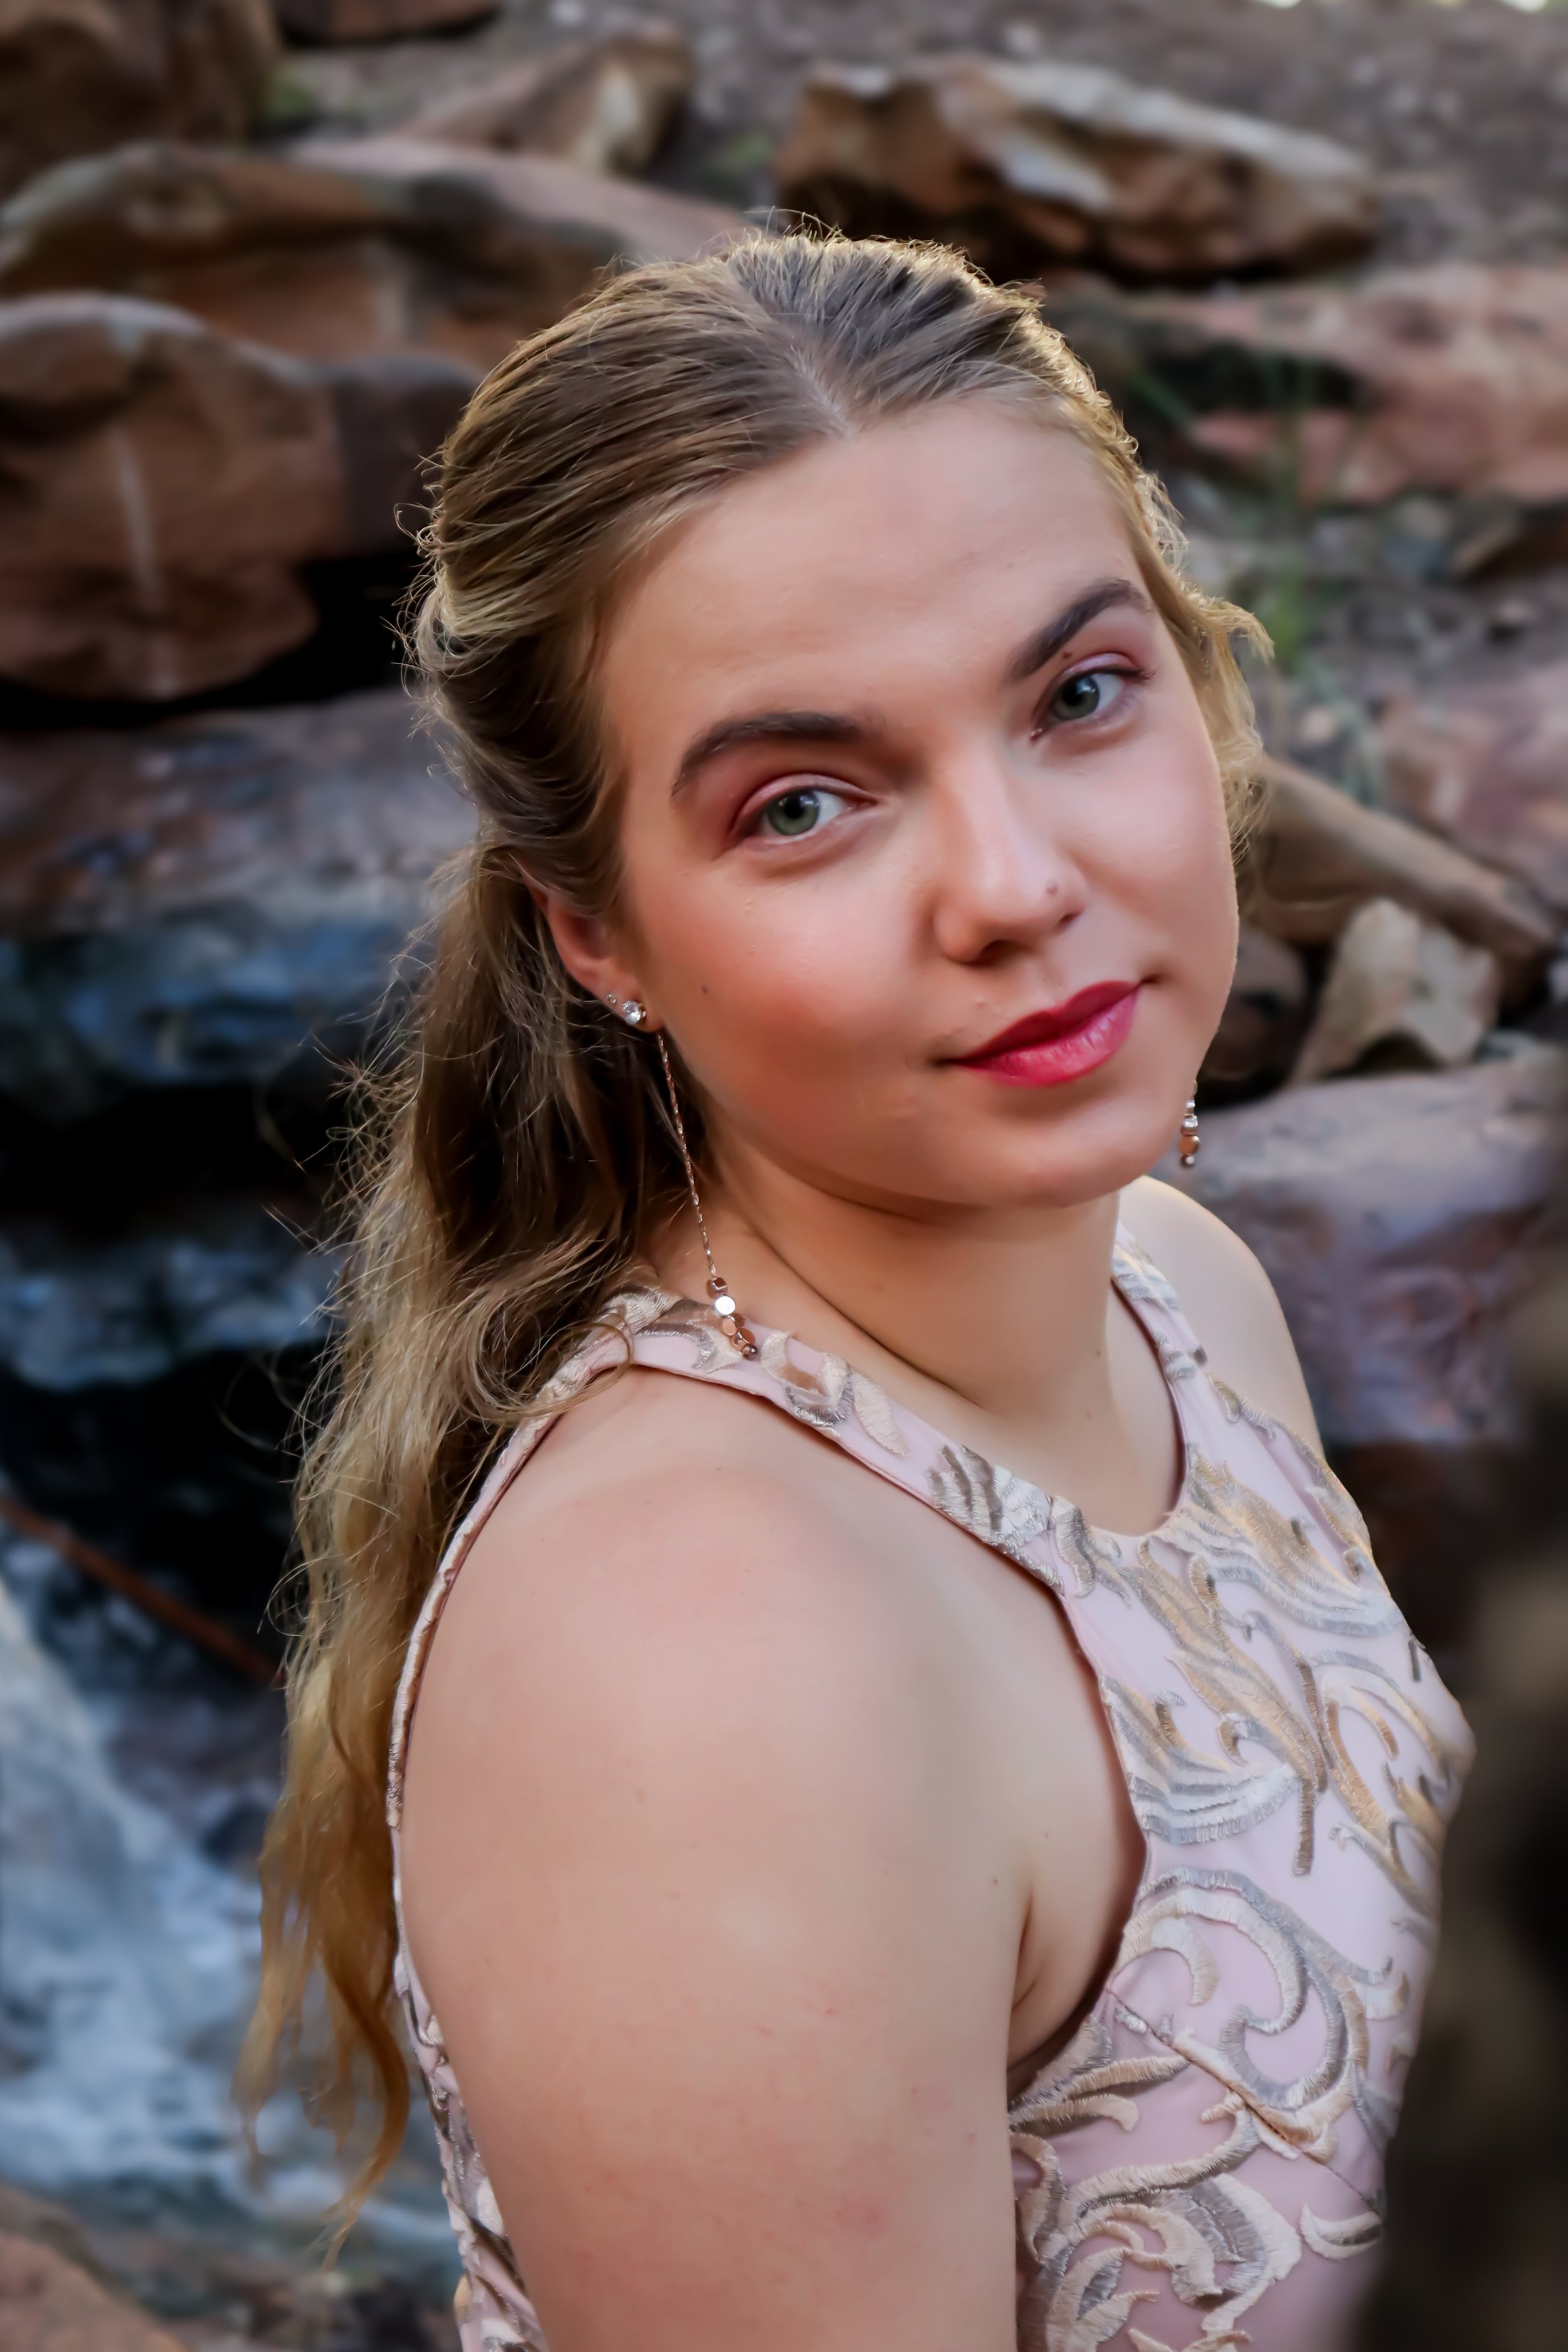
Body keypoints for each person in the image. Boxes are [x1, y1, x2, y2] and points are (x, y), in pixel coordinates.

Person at [242, 234, 1471, 2352]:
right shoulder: (704, 1661)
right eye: (805, 805)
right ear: (594, 935)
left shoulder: (1180, 1289)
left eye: (1076, 695)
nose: (1013, 886)